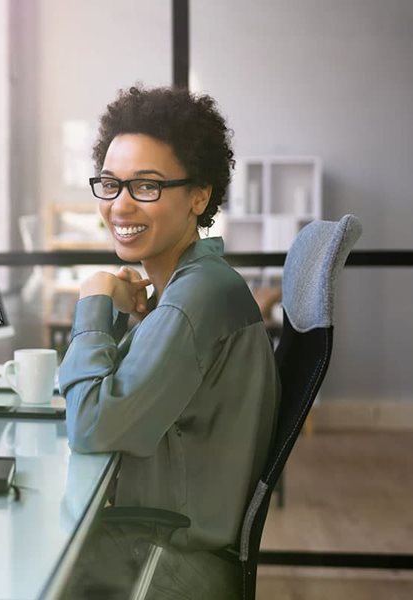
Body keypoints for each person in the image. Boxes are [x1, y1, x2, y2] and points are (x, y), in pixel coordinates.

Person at [58, 86, 280, 599]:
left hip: (172, 563)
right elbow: (128, 397)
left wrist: (92, 300)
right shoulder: (193, 286)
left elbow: (91, 424)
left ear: (198, 196)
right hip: (168, 542)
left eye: (147, 186)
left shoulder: (192, 300)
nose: (120, 205)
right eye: (110, 185)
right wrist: (118, 314)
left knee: (12, 559)